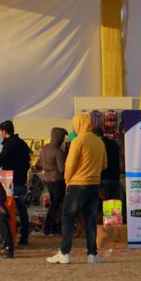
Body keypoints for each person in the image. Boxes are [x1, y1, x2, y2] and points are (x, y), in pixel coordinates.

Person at [47, 113, 106, 264]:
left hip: (77, 185)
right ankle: (92, 254)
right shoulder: (99, 142)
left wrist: (67, 181)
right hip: (94, 185)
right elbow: (104, 164)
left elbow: (70, 165)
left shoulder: (78, 141)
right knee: (90, 220)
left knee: (68, 217)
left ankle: (64, 252)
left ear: (78, 124)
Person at [0, 120, 31, 246]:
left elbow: (1, 160)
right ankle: (24, 237)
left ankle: (7, 237)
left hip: (10, 182)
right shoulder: (23, 143)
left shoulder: (9, 144)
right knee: (22, 211)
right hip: (22, 181)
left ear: (4, 131)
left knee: (6, 208)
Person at [40, 127, 67, 236]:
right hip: (57, 179)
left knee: (53, 204)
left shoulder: (44, 148)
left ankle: (51, 227)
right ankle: (49, 227)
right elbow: (61, 169)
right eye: (62, 137)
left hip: (48, 179)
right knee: (56, 205)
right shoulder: (57, 151)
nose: (63, 140)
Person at [98, 125, 122, 203]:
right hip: (115, 177)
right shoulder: (114, 143)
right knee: (114, 204)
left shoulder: (98, 145)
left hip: (103, 177)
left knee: (104, 203)